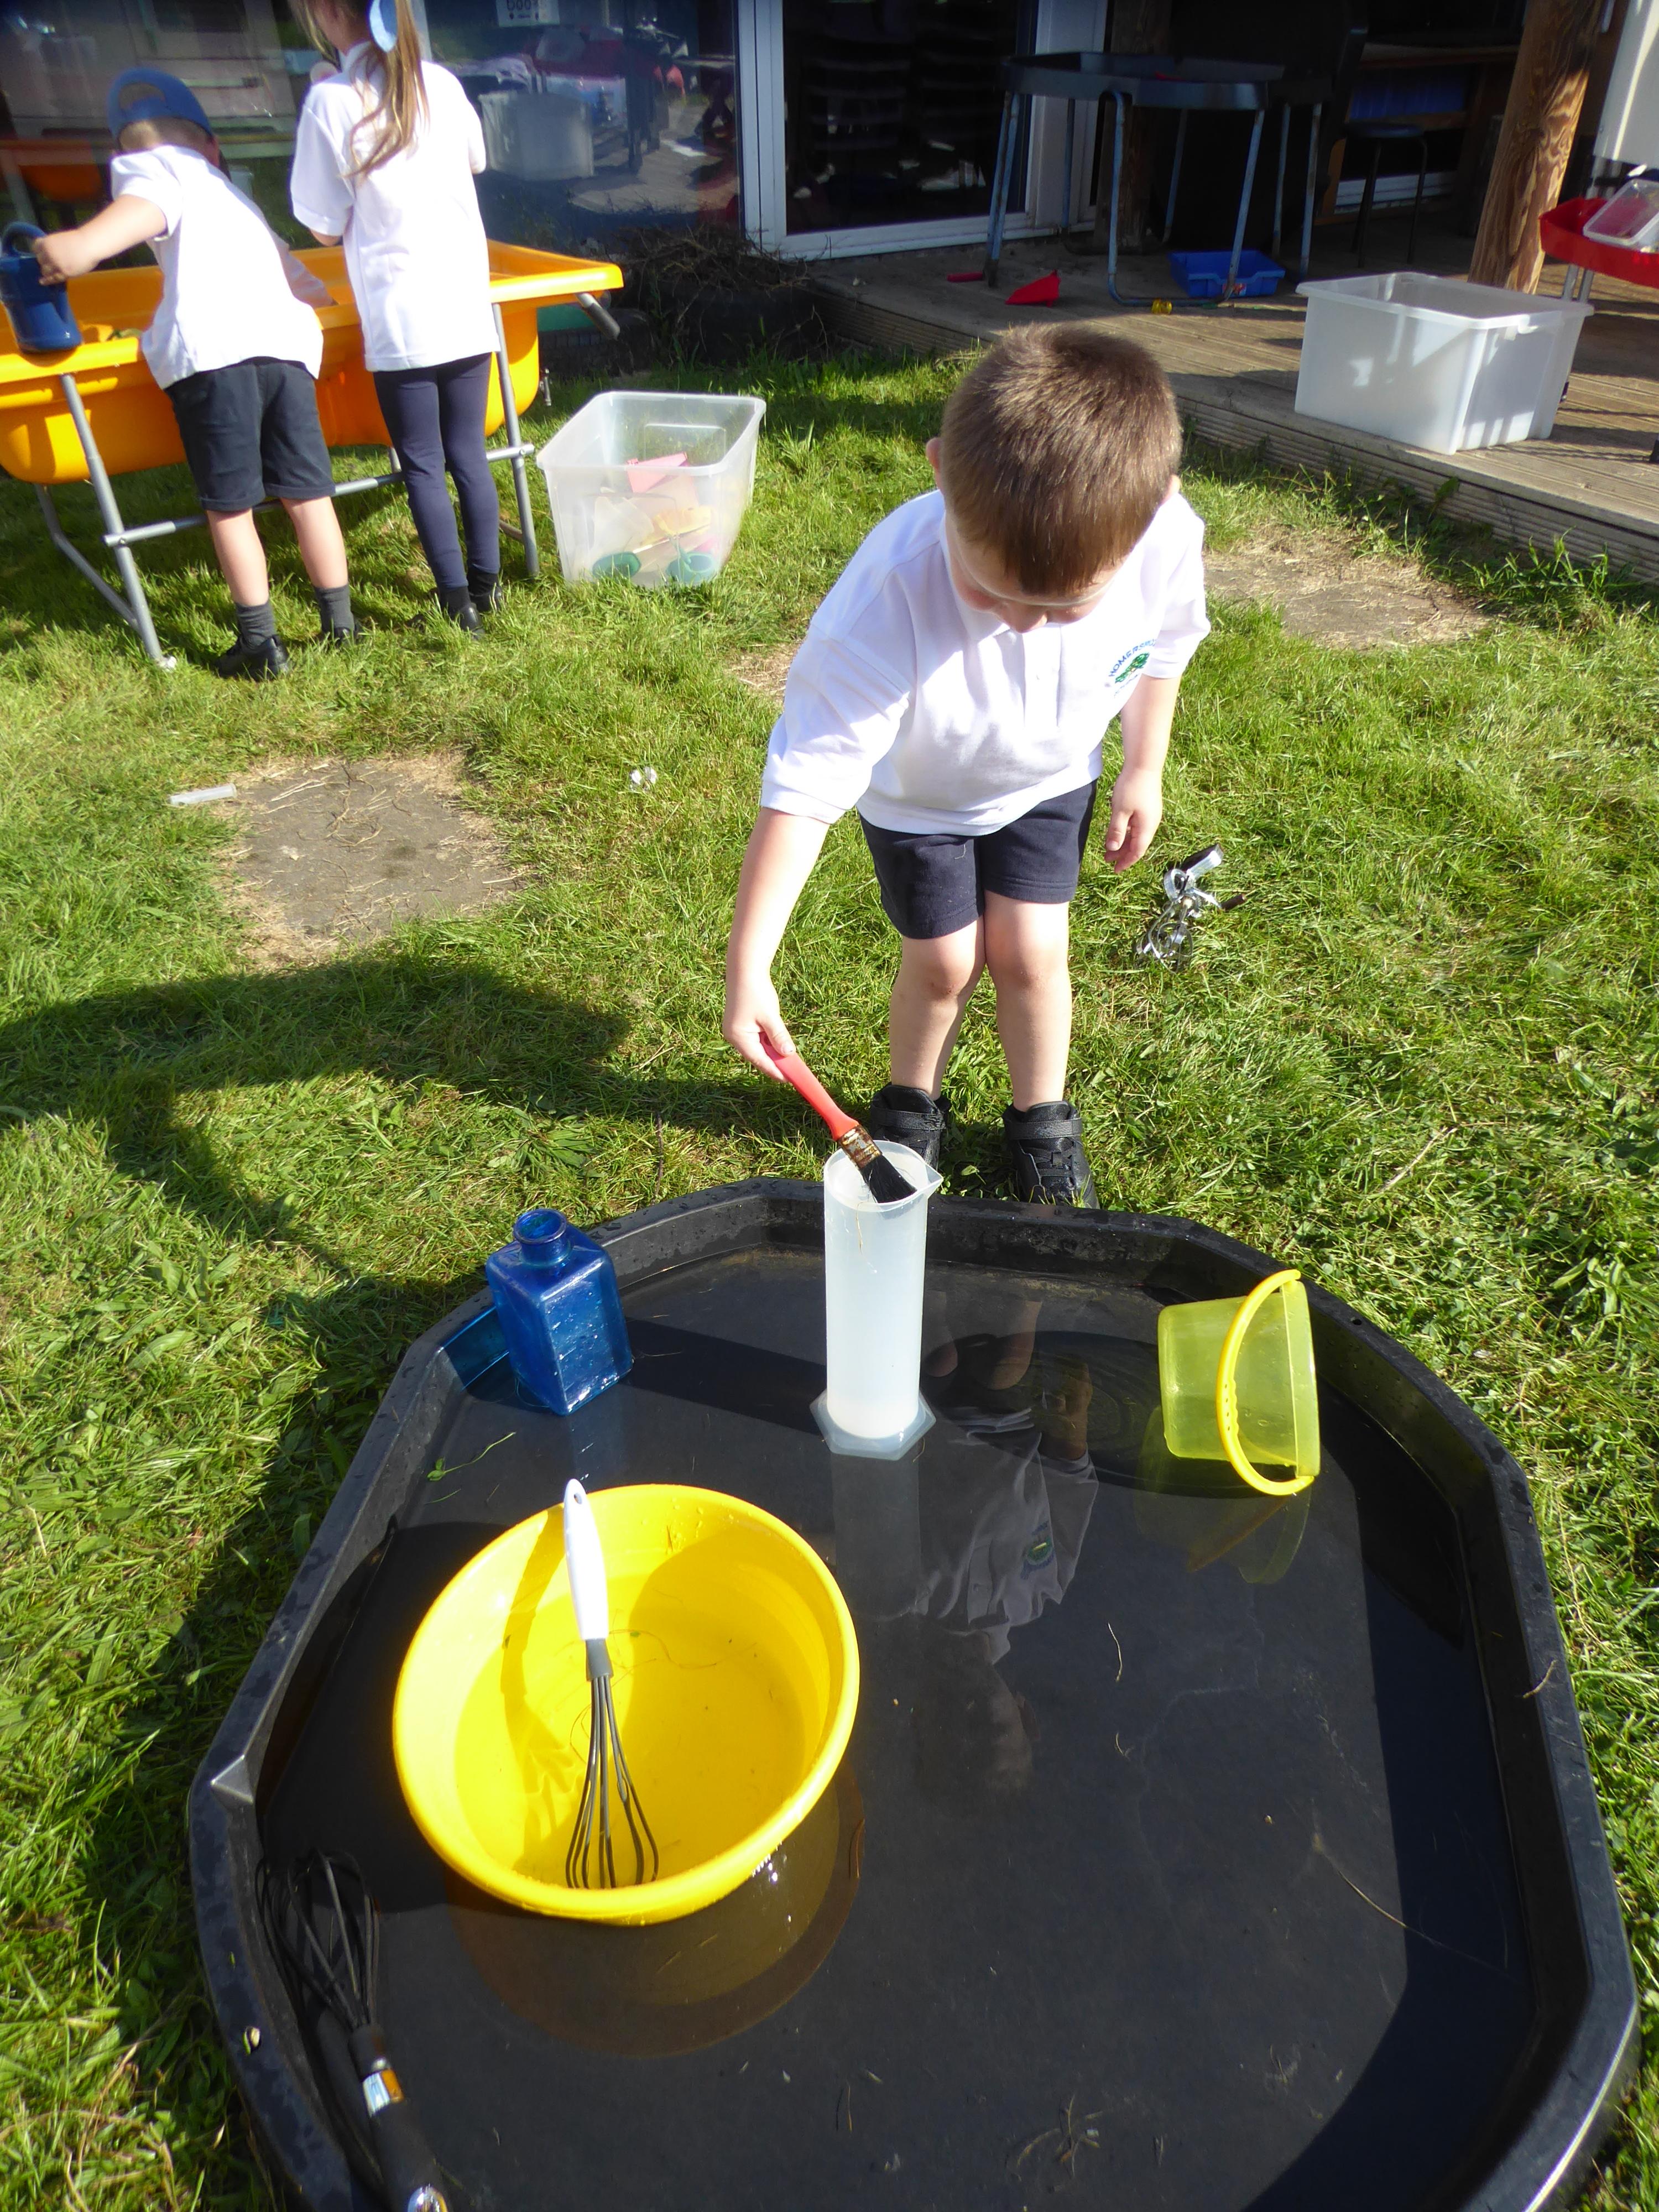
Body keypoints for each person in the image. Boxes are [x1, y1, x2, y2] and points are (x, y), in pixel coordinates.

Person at [721, 327, 1209, 1207]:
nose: (1021, 624)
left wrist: (1145, 765)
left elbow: (1164, 650)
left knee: (1033, 950)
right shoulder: (885, 601)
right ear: (941, 472)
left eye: (1064, 608)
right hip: (921, 802)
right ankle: (912, 1105)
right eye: (990, 591)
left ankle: (1042, 1120)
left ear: (1153, 512)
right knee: (945, 962)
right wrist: (750, 963)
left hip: (1050, 779)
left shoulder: (1164, 539)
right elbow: (805, 788)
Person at [32, 69, 354, 678]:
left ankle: (260, 644)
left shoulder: (155, 170)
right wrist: (333, 314)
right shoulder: (234, 197)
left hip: (215, 357)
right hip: (286, 350)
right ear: (214, 146)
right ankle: (341, 625)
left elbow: (137, 213)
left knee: (231, 506)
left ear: (121, 157)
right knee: (308, 494)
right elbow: (299, 280)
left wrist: (78, 247)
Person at [290, 0, 500, 632]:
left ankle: (457, 604)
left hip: (400, 315)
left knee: (423, 462)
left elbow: (322, 226)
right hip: (465, 302)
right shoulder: (441, 83)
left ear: (329, 12)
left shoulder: (331, 101)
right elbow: (475, 160)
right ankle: (488, 589)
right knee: (469, 451)